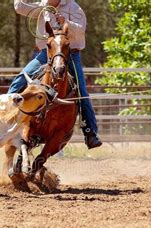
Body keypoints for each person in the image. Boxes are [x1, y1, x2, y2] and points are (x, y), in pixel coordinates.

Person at [9, 0, 102, 149]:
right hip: (46, 53)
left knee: (81, 92)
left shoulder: (73, 7)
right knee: (19, 81)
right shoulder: (43, 6)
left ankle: (90, 132)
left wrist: (67, 23)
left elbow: (81, 29)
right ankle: (4, 119)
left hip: (69, 54)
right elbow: (20, 8)